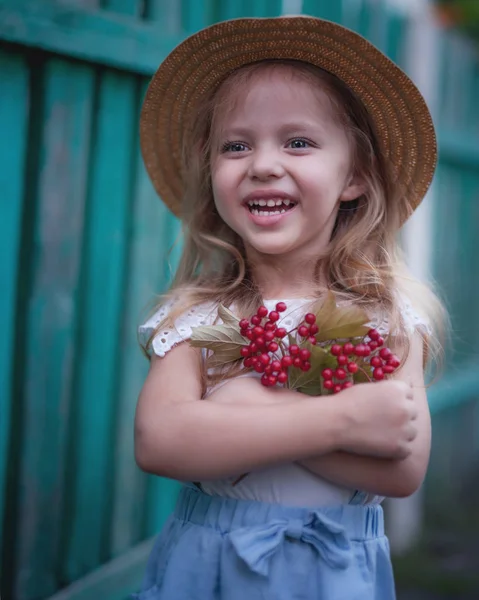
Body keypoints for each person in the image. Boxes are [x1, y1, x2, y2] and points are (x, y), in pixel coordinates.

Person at [133, 15, 444, 600]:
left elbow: (401, 469)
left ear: (353, 176)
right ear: (214, 171)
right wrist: (341, 422)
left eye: (297, 142)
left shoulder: (386, 316)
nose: (263, 164)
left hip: (334, 577)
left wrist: (239, 409)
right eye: (236, 145)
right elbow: (161, 440)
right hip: (211, 571)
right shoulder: (200, 315)